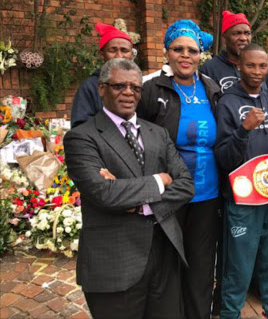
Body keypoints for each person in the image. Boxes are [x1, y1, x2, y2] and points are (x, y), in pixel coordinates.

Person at [64, 58, 194, 319]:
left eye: (135, 88)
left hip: (164, 252)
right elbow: (104, 193)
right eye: (119, 86)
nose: (128, 93)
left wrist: (138, 202)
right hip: (116, 261)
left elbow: (186, 185)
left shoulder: (157, 133)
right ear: (102, 89)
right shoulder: (82, 137)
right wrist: (160, 180)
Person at [137, 20, 221, 319]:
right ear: (167, 53)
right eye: (178, 49)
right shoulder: (151, 90)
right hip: (169, 194)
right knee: (167, 264)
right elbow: (132, 134)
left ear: (201, 54)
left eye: (192, 50)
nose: (185, 55)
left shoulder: (211, 89)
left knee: (201, 265)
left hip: (207, 194)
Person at [214, 43, 268, 319]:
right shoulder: (227, 103)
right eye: (251, 65)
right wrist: (243, 130)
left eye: (263, 66)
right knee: (239, 264)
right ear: (239, 67)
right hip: (242, 200)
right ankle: (230, 313)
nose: (257, 72)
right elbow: (223, 157)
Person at [71, 23, 135, 128]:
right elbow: (80, 129)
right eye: (112, 50)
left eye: (124, 50)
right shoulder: (90, 86)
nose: (119, 56)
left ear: (131, 55)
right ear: (102, 55)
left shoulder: (140, 85)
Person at [200, 10, 268, 95]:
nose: (243, 38)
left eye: (247, 33)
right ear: (224, 38)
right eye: (236, 33)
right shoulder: (209, 69)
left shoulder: (262, 69)